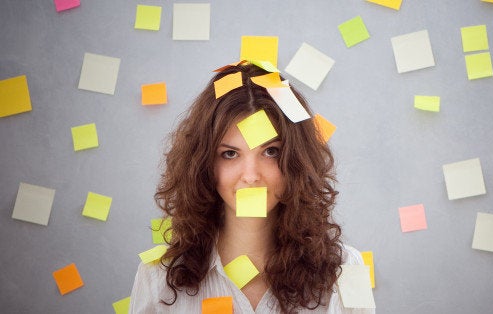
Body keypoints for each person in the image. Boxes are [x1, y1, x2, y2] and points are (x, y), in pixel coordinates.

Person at [129, 62, 375, 313]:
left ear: (297, 160)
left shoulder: (344, 270)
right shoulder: (157, 277)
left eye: (270, 152)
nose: (250, 176)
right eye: (230, 154)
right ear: (203, 165)